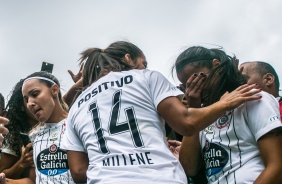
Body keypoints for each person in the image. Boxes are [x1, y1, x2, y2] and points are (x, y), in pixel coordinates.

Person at [60, 41, 261, 184]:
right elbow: (186, 122)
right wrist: (224, 103)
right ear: (129, 58)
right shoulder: (146, 78)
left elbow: (78, 172)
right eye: (143, 62)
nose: (145, 67)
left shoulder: (76, 107)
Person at [176, 46, 282, 183]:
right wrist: (194, 109)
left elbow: (277, 166)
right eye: (188, 85)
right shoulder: (203, 118)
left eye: (200, 79)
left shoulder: (253, 98)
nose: (195, 89)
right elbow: (189, 168)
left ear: (217, 66)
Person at [1, 71, 74, 183]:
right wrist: (5, 181)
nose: (30, 103)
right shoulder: (34, 135)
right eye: (26, 100)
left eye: (35, 94)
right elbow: (33, 180)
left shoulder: (76, 124)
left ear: (54, 90)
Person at [0, 80, 37, 179]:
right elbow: (2, 174)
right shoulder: (14, 134)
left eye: (36, 94)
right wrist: (22, 163)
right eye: (27, 98)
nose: (33, 102)